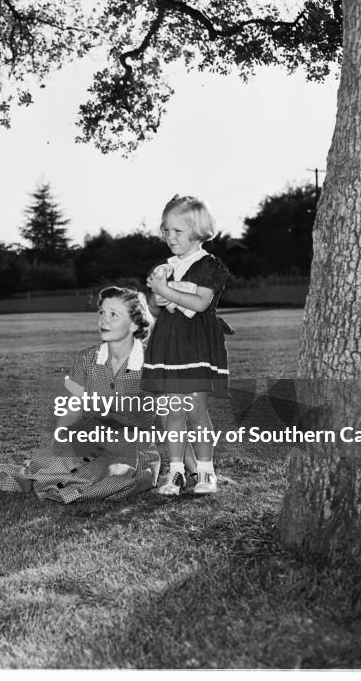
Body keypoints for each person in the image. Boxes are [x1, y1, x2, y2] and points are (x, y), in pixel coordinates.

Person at [0, 287, 161, 503]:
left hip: (131, 444)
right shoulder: (85, 359)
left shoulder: (153, 363)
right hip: (90, 435)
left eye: (114, 314)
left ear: (134, 324)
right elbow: (74, 407)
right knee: (57, 467)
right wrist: (58, 444)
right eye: (102, 313)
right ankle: (36, 474)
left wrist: (187, 466)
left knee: (121, 477)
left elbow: (173, 417)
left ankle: (74, 478)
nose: (104, 320)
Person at [142, 194, 231, 496]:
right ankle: (176, 471)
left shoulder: (209, 265)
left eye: (177, 231)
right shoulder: (165, 267)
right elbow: (156, 308)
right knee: (173, 411)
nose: (169, 237)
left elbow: (201, 302)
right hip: (168, 346)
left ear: (197, 231)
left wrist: (168, 290)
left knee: (195, 409)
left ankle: (206, 472)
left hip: (195, 346)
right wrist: (159, 295)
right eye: (166, 230)